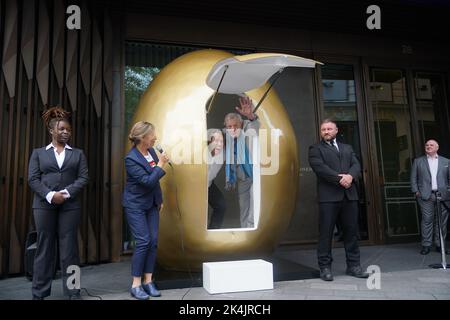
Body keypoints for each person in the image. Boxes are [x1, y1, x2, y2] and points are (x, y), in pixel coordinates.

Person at [28, 106, 89, 300]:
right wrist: (50, 195)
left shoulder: (78, 154)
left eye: (68, 130)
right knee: (44, 249)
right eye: (62, 129)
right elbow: (33, 179)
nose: (65, 132)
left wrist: (67, 192)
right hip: (44, 206)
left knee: (70, 249)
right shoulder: (38, 153)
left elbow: (83, 178)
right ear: (51, 130)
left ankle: (74, 292)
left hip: (69, 206)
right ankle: (39, 293)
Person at [308, 119, 368, 281]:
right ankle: (325, 268)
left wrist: (350, 176)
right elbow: (320, 168)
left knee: (351, 233)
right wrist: (339, 179)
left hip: (350, 196)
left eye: (329, 129)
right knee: (326, 234)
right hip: (329, 197)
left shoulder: (347, 148)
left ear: (336, 130)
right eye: (323, 130)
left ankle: (354, 266)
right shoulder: (315, 149)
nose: (326, 131)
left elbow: (356, 165)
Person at [123, 121, 170, 300]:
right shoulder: (131, 159)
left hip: (151, 204)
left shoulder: (151, 151)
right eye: (152, 135)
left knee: (153, 241)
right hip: (135, 204)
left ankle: (148, 281)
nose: (155, 138)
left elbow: (154, 184)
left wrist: (159, 199)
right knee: (143, 241)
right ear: (142, 137)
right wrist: (161, 165)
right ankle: (136, 284)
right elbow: (147, 181)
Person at [223, 96, 260, 228]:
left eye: (235, 126)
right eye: (229, 127)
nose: (232, 129)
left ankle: (251, 230)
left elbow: (256, 126)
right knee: (244, 208)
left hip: (255, 176)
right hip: (242, 178)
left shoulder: (248, 128)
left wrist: (251, 115)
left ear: (241, 124)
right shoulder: (225, 135)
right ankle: (245, 232)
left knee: (254, 208)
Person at [411, 139, 450, 255]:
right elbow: (413, 178)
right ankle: (426, 245)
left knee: (442, 222)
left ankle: (440, 245)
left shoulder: (446, 161)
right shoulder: (418, 161)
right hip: (425, 196)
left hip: (443, 196)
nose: (428, 146)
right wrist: (416, 191)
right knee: (427, 220)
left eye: (431, 145)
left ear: (437, 148)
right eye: (427, 145)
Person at [207, 129, 226, 229]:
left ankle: (213, 230)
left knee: (221, 205)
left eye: (221, 141)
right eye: (216, 141)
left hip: (208, 184)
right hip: (196, 185)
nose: (219, 144)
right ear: (209, 141)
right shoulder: (201, 153)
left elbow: (210, 176)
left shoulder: (222, 154)